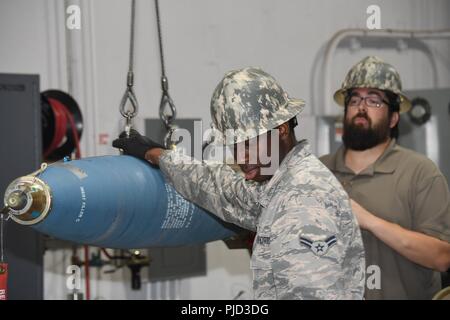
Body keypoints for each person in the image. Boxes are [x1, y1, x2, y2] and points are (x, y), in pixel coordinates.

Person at [113, 67, 365, 299]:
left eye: (249, 143)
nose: (241, 158)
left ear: (282, 128)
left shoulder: (303, 202)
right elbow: (222, 189)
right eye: (234, 145)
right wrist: (160, 156)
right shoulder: (279, 185)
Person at [320, 56, 450, 299]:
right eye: (354, 99)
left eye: (374, 100)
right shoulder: (317, 172)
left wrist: (368, 220)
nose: (361, 107)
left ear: (393, 118)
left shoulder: (420, 173)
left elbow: (442, 258)